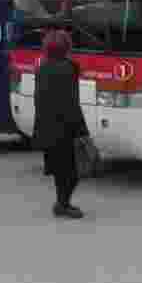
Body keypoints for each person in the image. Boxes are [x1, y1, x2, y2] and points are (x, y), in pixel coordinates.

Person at [34, 29, 88, 219]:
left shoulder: (42, 67)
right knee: (73, 173)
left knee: (59, 170)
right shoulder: (69, 68)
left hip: (46, 127)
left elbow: (39, 99)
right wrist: (82, 130)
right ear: (66, 47)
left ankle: (61, 203)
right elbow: (71, 103)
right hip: (64, 128)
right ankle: (63, 204)